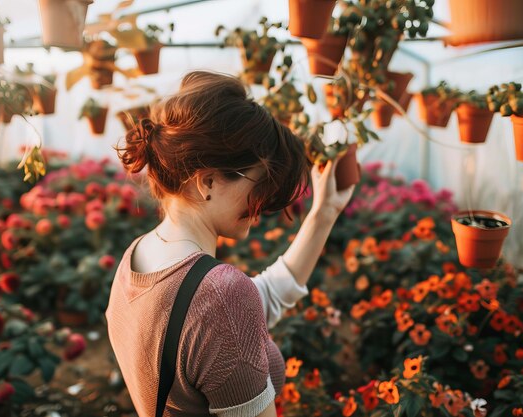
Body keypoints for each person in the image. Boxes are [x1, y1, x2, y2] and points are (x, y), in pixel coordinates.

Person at [106, 71, 354, 417]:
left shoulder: (138, 257)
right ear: (207, 181)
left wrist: (324, 213)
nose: (265, 200)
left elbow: (237, 313)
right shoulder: (219, 296)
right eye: (261, 181)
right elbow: (224, 312)